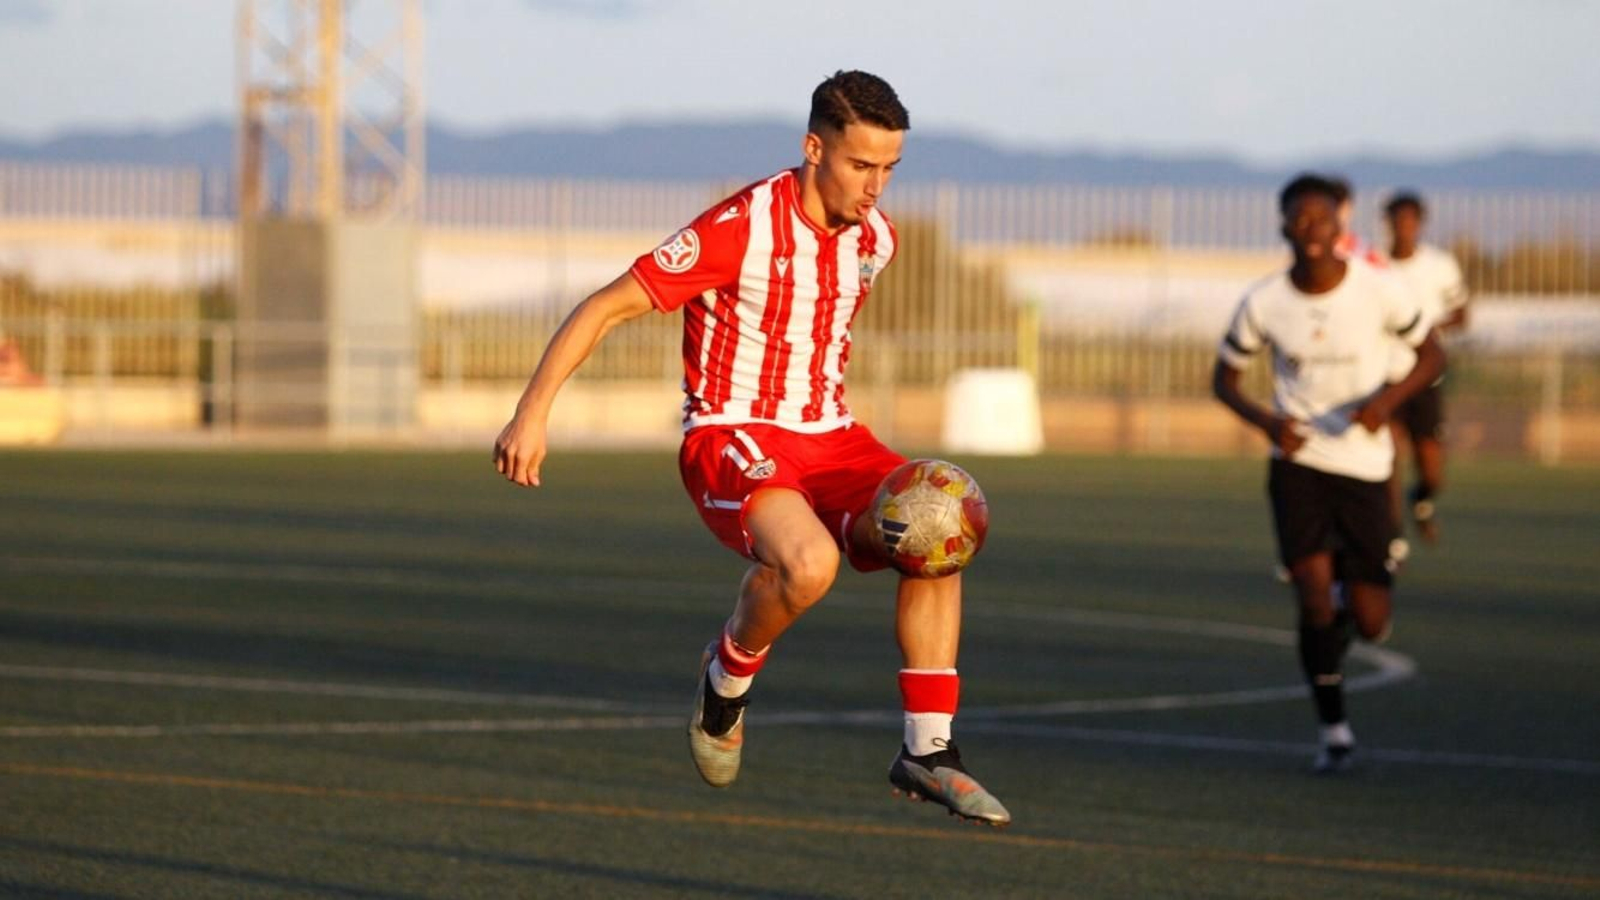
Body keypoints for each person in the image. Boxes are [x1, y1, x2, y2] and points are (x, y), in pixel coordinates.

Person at [492, 70, 1010, 825]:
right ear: (812, 148)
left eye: (889, 170)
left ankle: (928, 750)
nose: (875, 188)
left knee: (941, 520)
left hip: (831, 437)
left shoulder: (876, 241)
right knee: (809, 565)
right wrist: (531, 412)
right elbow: (607, 305)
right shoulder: (739, 229)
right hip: (731, 433)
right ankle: (725, 680)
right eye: (860, 166)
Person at [1212, 173, 1445, 773]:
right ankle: (1334, 731)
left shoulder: (1377, 289)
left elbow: (1434, 354)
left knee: (1371, 623)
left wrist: (1387, 403)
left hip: (1366, 469)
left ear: (1340, 227)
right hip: (1299, 465)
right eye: (1299, 218)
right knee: (1313, 596)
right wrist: (1268, 423)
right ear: (1284, 225)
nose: (1310, 229)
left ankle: (1353, 589)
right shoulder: (1265, 302)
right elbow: (1225, 379)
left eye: (1322, 219)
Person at [1382, 190, 1468, 544]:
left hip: (1424, 376)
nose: (1404, 228)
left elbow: (1462, 314)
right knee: (1387, 461)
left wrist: (1427, 332)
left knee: (1432, 470)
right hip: (1384, 375)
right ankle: (1392, 537)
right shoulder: (1375, 266)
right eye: (1397, 220)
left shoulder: (1440, 265)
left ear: (1419, 224)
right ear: (1387, 223)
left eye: (1410, 220)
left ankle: (1420, 500)